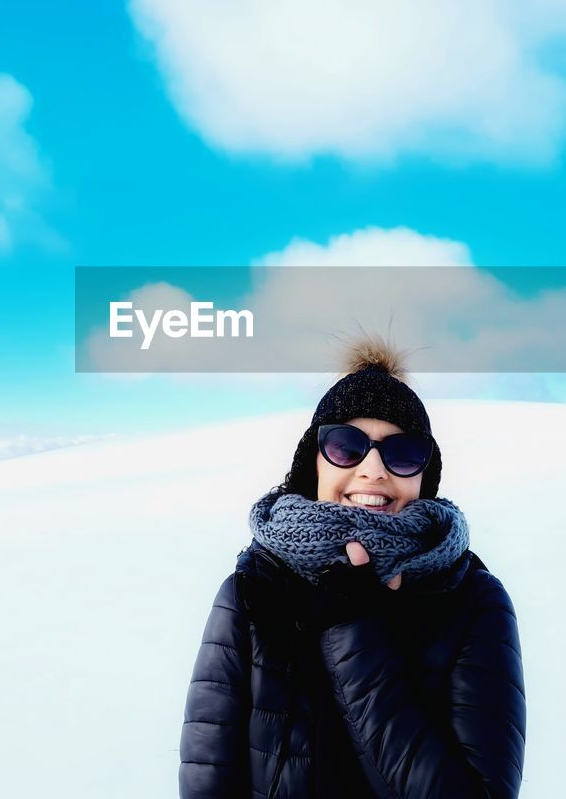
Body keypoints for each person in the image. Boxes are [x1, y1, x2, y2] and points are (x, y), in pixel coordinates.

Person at [178, 333, 527, 798]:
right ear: (314, 464)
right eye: (347, 446)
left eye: (403, 453)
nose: (374, 470)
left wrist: (354, 630)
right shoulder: (253, 589)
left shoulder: (470, 598)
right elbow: (209, 779)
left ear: (425, 476)